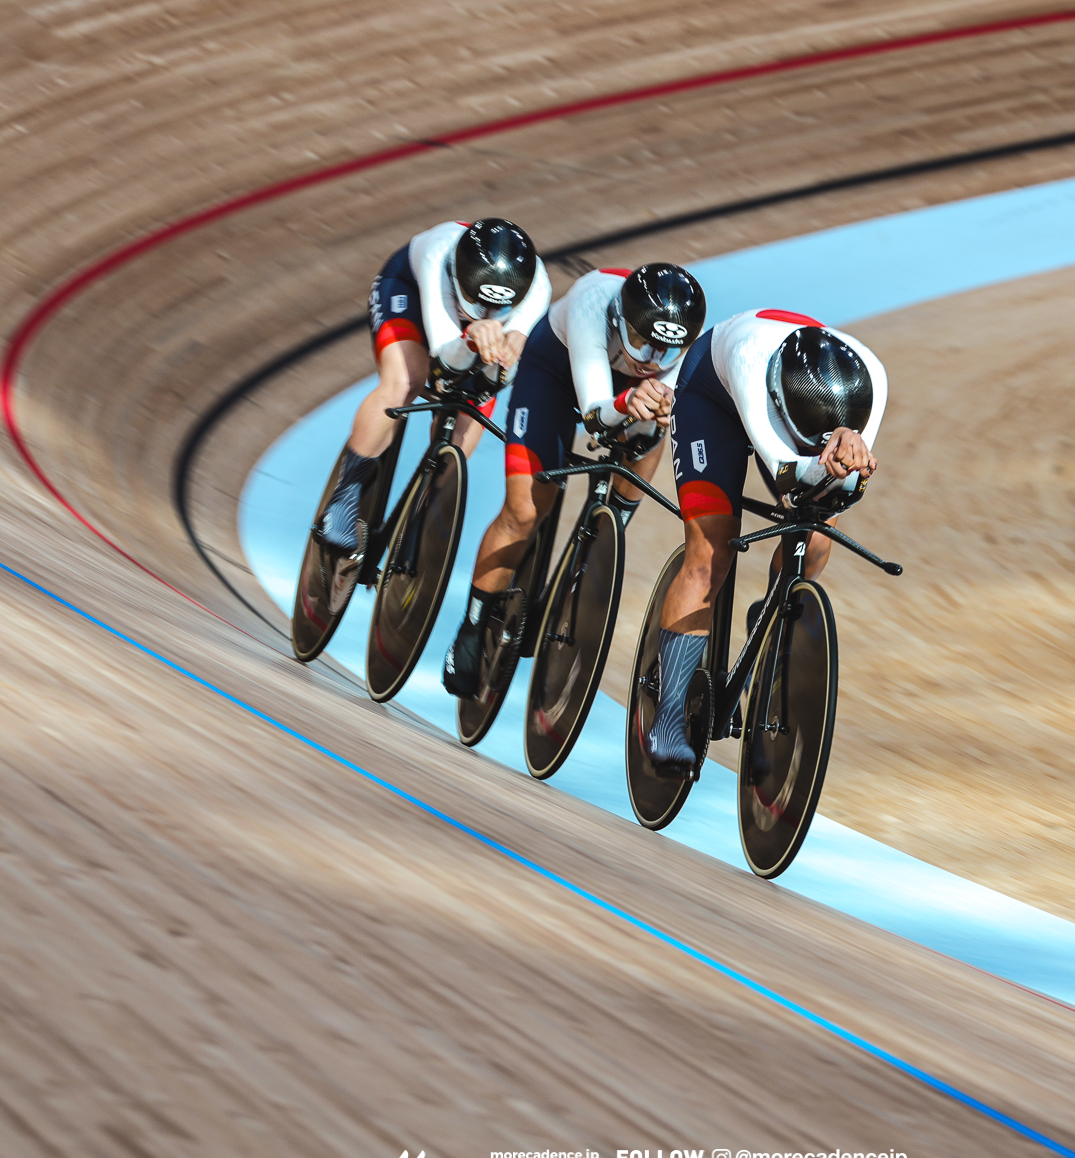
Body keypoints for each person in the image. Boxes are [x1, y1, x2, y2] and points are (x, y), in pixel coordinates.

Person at [442, 262, 706, 697]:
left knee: (658, 423)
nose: (651, 361)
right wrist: (631, 399)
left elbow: (662, 405)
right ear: (621, 321)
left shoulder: (679, 350)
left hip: (619, 392)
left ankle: (610, 525)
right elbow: (596, 414)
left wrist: (656, 409)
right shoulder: (592, 303)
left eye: (666, 352)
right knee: (525, 511)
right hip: (559, 373)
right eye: (641, 343)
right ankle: (471, 628)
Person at [642, 308, 886, 774]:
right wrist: (826, 463)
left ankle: (771, 609)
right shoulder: (750, 361)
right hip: (714, 397)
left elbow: (843, 490)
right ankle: (667, 717)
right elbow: (784, 469)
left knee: (815, 537)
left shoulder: (872, 377)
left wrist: (850, 468)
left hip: (805, 426)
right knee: (710, 553)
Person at [314, 218, 551, 567]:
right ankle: (344, 497)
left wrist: (503, 355)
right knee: (406, 381)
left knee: (475, 401)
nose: (486, 310)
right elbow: (443, 362)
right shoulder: (438, 258)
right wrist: (472, 337)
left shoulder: (537, 290)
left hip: (481, 322)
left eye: (497, 306)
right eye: (479, 301)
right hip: (408, 290)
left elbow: (499, 375)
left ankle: (427, 509)